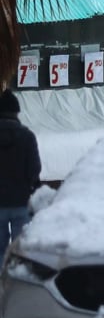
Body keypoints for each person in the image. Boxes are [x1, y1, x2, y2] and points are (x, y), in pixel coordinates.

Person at [0, 89, 41, 255]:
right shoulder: (27, 136)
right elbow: (34, 169)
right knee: (20, 250)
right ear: (16, 112)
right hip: (21, 202)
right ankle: (16, 278)